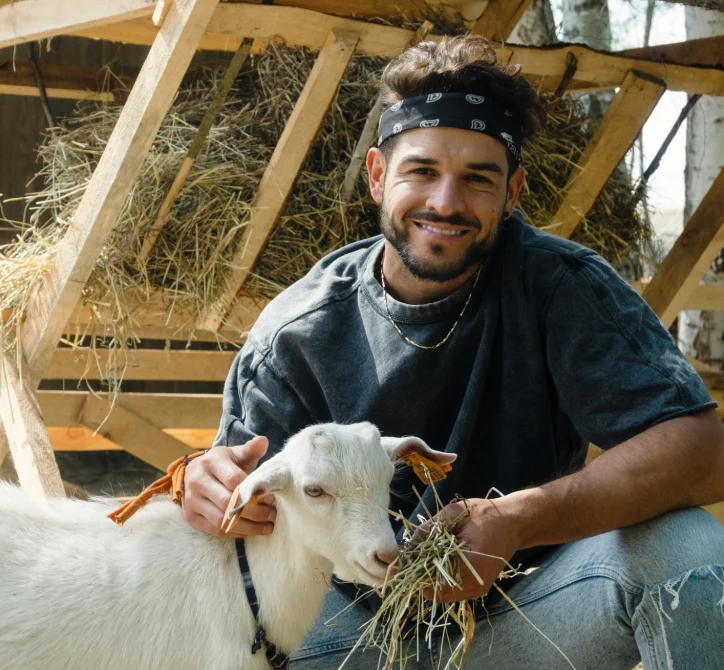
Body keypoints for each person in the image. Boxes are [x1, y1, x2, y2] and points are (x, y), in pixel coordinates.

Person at [181, 34, 724, 668]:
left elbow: (702, 455)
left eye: (477, 179)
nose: (446, 202)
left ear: (513, 192)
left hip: (531, 622)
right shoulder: (296, 332)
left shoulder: (559, 288)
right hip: (340, 641)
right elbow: (235, 517)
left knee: (689, 553)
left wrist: (519, 518)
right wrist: (204, 491)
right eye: (422, 171)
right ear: (379, 176)